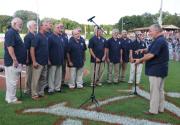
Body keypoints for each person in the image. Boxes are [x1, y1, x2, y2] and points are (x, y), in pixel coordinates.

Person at [135, 24, 169, 115]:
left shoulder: (159, 41)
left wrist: (140, 60)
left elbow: (151, 55)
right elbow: (150, 49)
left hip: (156, 70)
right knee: (160, 90)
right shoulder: (159, 40)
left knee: (155, 91)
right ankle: (160, 108)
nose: (149, 33)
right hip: (161, 69)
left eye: (150, 31)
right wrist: (143, 50)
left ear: (157, 31)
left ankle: (153, 110)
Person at [4, 17, 26, 104]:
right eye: (20, 24)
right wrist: (15, 60)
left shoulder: (15, 32)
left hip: (14, 61)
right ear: (14, 23)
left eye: (22, 24)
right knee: (12, 81)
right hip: (12, 62)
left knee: (11, 81)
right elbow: (10, 47)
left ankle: (8, 97)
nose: (21, 25)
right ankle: (12, 99)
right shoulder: (11, 33)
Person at [30, 21, 49, 99]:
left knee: (43, 79)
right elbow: (32, 49)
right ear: (41, 27)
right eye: (46, 25)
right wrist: (34, 61)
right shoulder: (37, 36)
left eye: (48, 25)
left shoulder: (45, 36)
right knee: (36, 79)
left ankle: (41, 93)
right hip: (38, 62)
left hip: (44, 62)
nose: (48, 27)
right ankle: (34, 94)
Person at [47, 24, 65, 93]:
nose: (59, 29)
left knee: (59, 75)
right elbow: (47, 49)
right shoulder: (50, 37)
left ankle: (57, 88)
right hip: (52, 60)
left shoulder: (61, 37)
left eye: (60, 28)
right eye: (57, 27)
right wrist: (48, 60)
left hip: (60, 60)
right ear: (54, 29)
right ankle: (51, 89)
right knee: (51, 76)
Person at [24, 20, 37, 95]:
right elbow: (26, 49)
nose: (36, 26)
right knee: (29, 75)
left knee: (33, 76)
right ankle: (27, 90)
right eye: (34, 25)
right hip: (30, 59)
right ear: (29, 27)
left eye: (36, 24)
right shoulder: (27, 36)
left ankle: (32, 89)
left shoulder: (35, 35)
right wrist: (27, 59)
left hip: (35, 58)